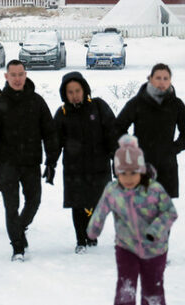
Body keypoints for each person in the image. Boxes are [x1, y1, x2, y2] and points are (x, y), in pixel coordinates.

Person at [0, 59, 58, 261]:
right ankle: (17, 248)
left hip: (31, 162)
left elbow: (49, 132)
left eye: (20, 74)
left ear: (26, 75)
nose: (17, 79)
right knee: (11, 206)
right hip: (5, 164)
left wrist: (51, 161)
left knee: (34, 201)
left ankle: (20, 228)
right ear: (6, 77)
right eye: (13, 75)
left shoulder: (37, 101)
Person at [87, 135, 177, 305]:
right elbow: (101, 210)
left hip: (155, 248)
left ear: (141, 171)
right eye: (123, 173)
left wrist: (155, 231)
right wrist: (94, 228)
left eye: (133, 173)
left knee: (153, 290)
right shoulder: (113, 190)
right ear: (117, 172)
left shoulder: (154, 190)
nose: (128, 178)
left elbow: (170, 212)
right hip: (126, 246)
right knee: (125, 288)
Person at [52, 71, 118, 253]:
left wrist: (116, 156)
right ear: (65, 94)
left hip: (99, 165)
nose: (74, 95)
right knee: (78, 204)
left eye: (77, 91)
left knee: (98, 202)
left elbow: (112, 132)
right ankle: (81, 240)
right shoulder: (62, 113)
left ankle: (91, 233)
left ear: (84, 90)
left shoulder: (98, 107)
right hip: (74, 167)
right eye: (70, 92)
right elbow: (54, 142)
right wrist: (51, 163)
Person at [116, 63, 185, 198]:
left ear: (170, 81)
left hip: (167, 167)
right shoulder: (137, 103)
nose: (162, 82)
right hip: (140, 166)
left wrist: (174, 149)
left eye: (166, 78)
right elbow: (118, 128)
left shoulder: (176, 104)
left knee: (163, 209)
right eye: (158, 78)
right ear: (150, 79)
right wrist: (131, 148)